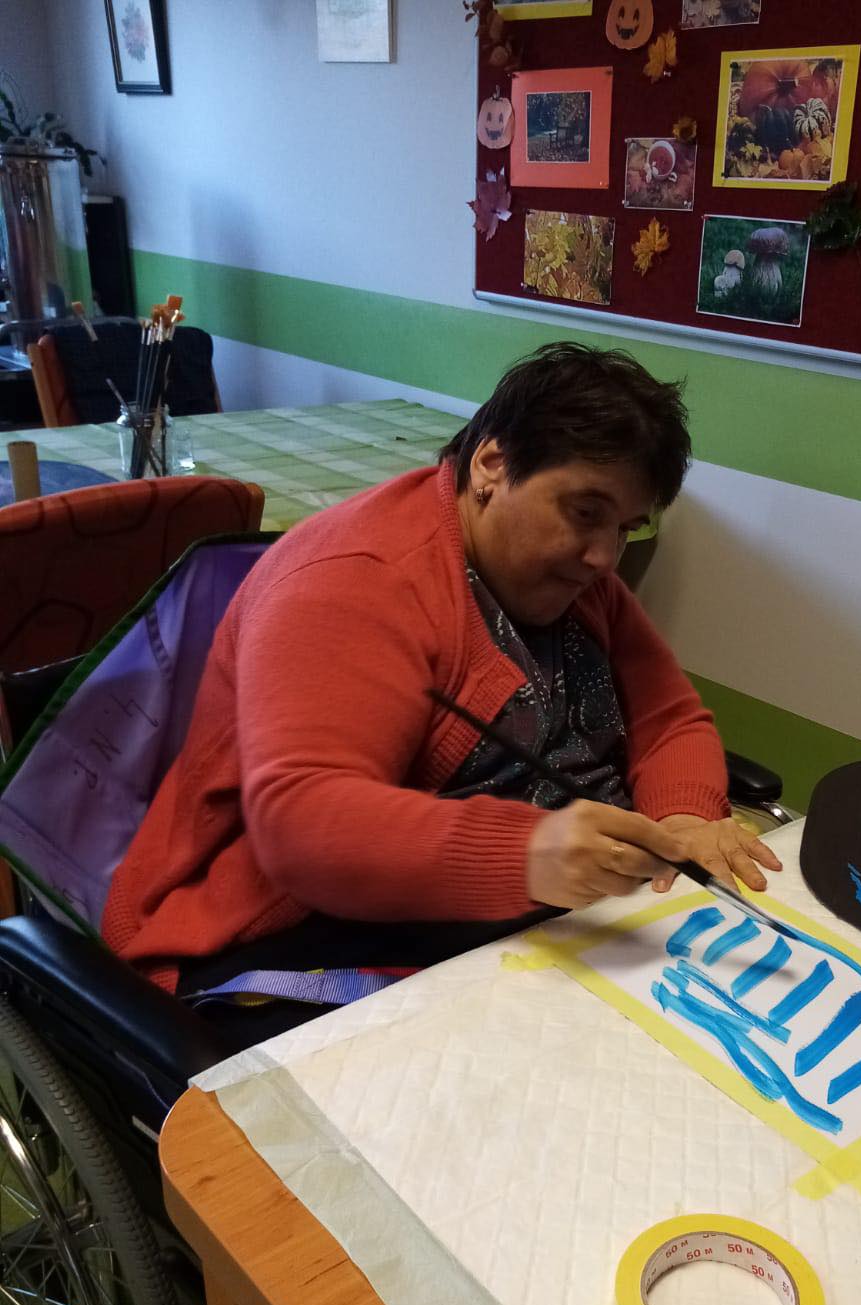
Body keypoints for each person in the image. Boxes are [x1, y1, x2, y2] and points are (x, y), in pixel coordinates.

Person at [102, 342, 781, 1040]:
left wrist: (683, 818)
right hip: (323, 923)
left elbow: (668, 718)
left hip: (568, 907)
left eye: (626, 528)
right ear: (491, 466)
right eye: (585, 512)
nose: (606, 557)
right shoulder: (354, 581)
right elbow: (303, 824)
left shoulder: (576, 582)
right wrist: (527, 854)